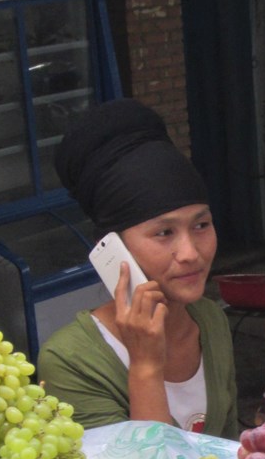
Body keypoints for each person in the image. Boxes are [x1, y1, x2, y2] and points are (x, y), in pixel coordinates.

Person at [37, 98, 238, 439]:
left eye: (201, 225)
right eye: (164, 233)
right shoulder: (71, 359)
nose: (190, 253)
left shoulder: (210, 321)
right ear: (113, 250)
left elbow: (232, 455)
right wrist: (145, 365)